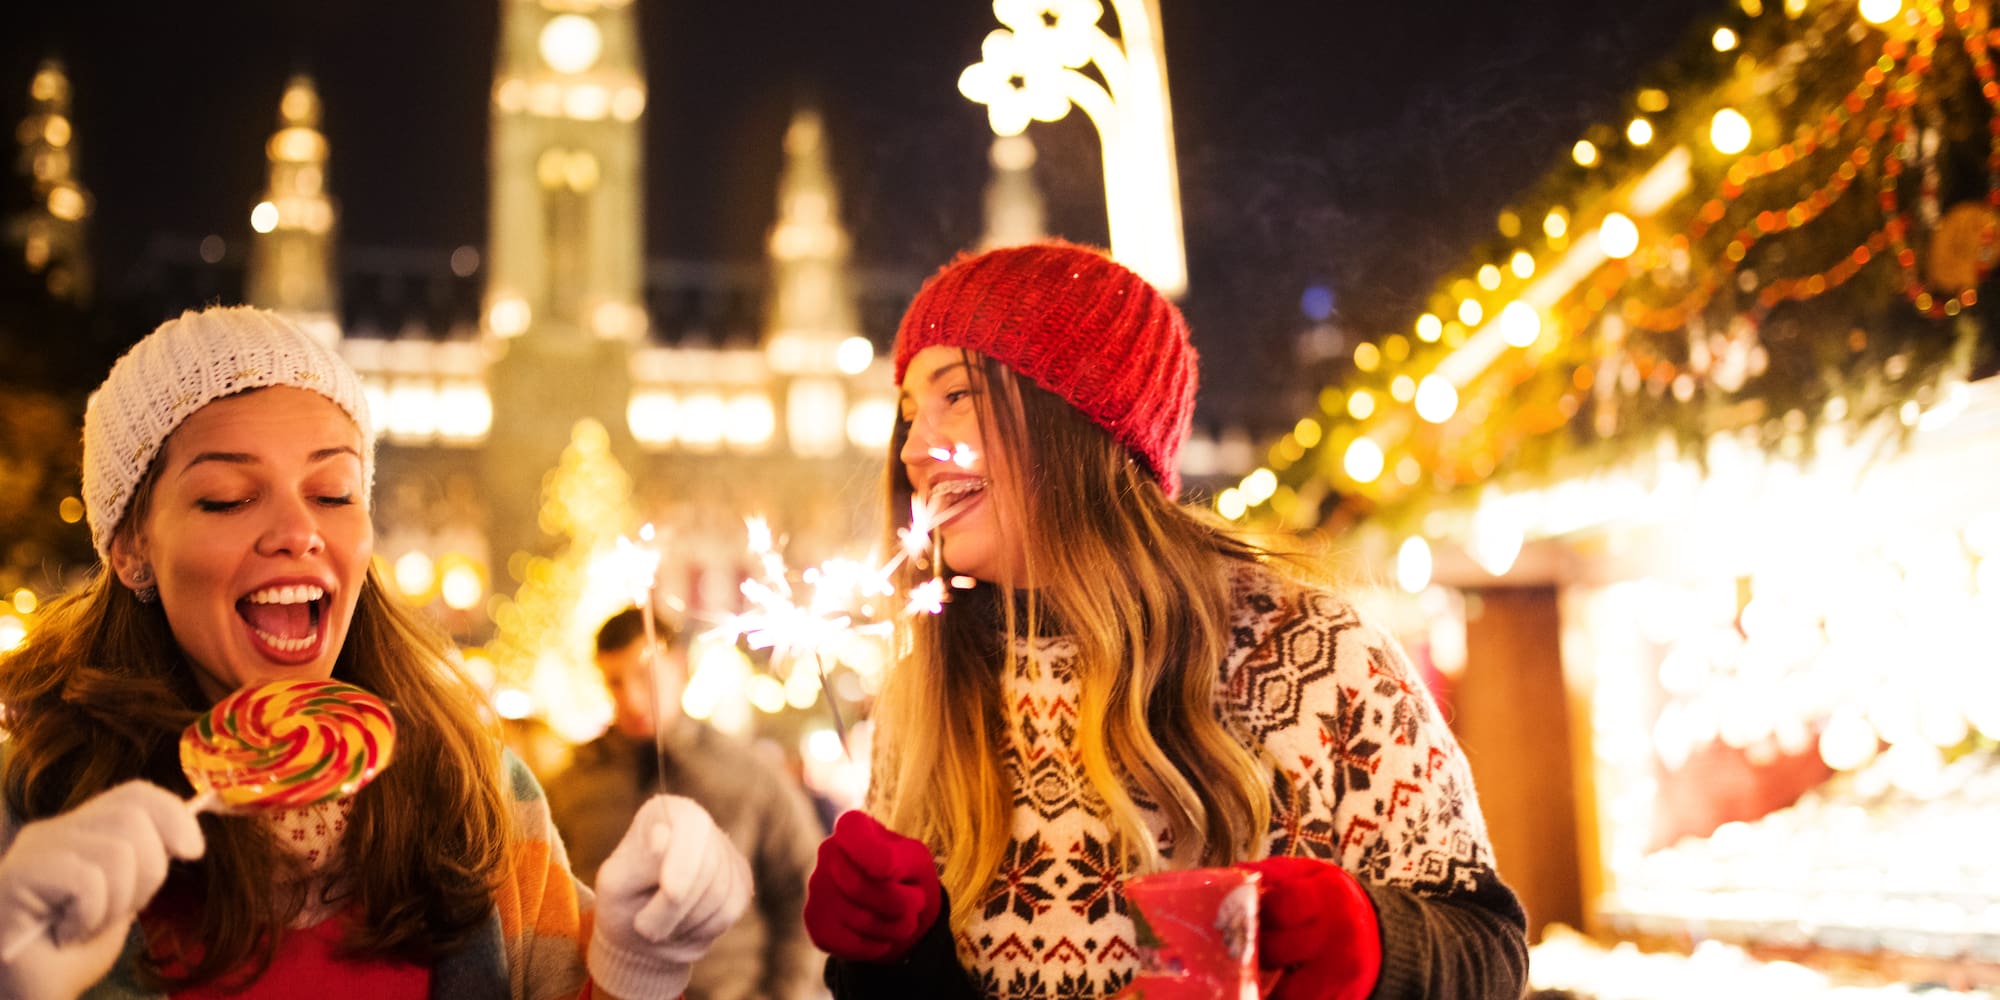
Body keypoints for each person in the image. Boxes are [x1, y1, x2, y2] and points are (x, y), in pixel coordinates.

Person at [801, 242, 1530, 999]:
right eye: (909, 413)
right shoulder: (925, 697)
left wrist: (1376, 945)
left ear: (1071, 413)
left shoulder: (1313, 654)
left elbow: (1491, 954)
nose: (915, 448)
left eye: (958, 397)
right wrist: (890, 958)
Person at [0, 305, 752, 1000]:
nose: (300, 531)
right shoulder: (33, 815)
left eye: (333, 493)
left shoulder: (481, 795)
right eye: (228, 496)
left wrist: (635, 966)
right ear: (131, 547)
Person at [547, 608, 823, 1000]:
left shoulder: (748, 774)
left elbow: (802, 890)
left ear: (679, 668)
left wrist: (785, 994)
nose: (633, 699)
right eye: (615, 682)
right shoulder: (572, 786)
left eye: (645, 677)